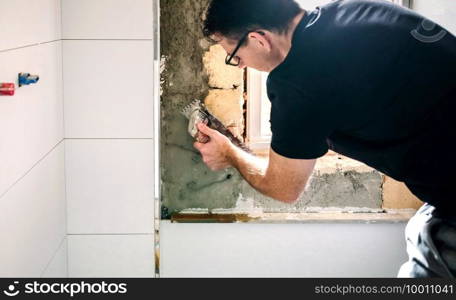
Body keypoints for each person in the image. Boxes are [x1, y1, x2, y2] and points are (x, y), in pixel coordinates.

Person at [194, 0, 456, 277]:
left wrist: (229, 154)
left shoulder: (297, 82)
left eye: (235, 56)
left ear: (259, 39)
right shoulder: (358, 11)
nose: (240, 65)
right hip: (443, 188)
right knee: (422, 231)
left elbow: (284, 187)